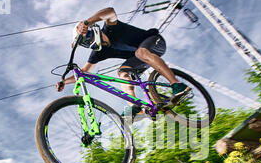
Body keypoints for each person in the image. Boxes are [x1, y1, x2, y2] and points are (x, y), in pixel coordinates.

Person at [56, 7, 191, 119]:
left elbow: (110, 12)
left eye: (88, 38)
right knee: (123, 72)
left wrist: (87, 22)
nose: (90, 42)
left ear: (93, 30)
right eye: (86, 43)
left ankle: (177, 85)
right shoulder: (99, 52)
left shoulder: (110, 28)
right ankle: (135, 107)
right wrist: (64, 82)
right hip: (141, 59)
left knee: (140, 52)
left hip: (155, 41)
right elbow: (84, 72)